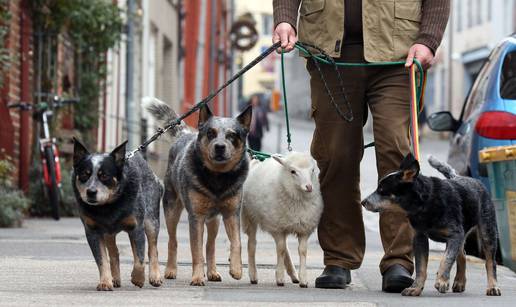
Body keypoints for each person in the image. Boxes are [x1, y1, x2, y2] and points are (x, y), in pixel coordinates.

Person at [272, 0, 450, 292]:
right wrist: (285, 20)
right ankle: (339, 258)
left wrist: (428, 40)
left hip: (397, 54)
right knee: (335, 153)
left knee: (395, 149)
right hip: (329, 54)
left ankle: (398, 260)